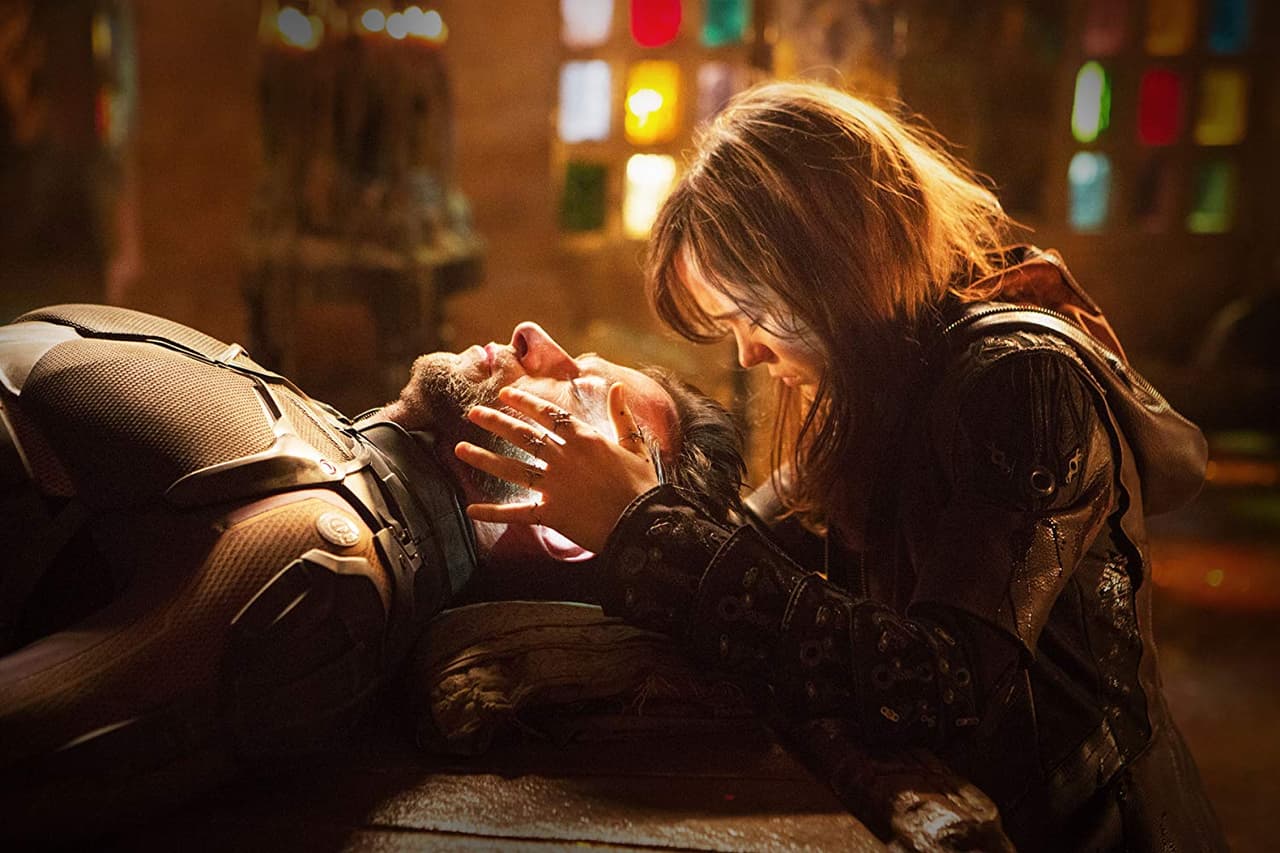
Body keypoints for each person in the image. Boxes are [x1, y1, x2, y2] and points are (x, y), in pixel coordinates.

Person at [459, 81, 1227, 852]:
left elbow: (936, 683)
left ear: (831, 267)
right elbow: (744, 552)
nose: (748, 353)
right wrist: (614, 514)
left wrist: (640, 522)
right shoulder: (880, 396)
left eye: (752, 316)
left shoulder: (1021, 381)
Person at [0, 303, 743, 838]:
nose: (533, 336)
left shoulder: (323, 560)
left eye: (576, 393)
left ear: (567, 529)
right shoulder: (317, 450)